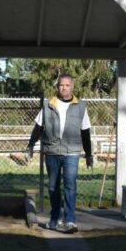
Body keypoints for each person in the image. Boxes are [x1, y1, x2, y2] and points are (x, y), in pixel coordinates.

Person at [25, 74, 94, 234]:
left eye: (67, 85)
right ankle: (54, 219)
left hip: (72, 152)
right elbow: (38, 128)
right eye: (62, 85)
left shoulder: (81, 106)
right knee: (53, 186)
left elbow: (85, 133)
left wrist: (89, 154)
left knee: (70, 185)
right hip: (52, 151)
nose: (64, 88)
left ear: (72, 87)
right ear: (58, 87)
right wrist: (30, 145)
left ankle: (69, 220)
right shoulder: (48, 105)